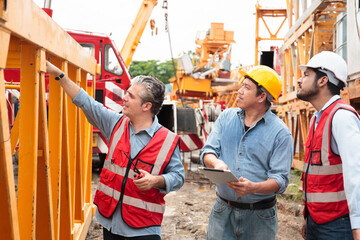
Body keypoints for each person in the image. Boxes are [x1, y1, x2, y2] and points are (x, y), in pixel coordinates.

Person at [46, 61, 185, 240]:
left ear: (146, 106)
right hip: (110, 223)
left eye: (131, 95)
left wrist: (156, 180)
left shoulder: (167, 140)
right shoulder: (116, 124)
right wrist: (59, 74)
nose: (124, 98)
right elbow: (85, 102)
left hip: (143, 229)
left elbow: (179, 177)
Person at [201, 65, 294, 240]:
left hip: (259, 217)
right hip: (222, 211)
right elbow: (208, 151)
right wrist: (216, 163)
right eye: (241, 86)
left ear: (261, 96)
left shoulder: (280, 134)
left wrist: (253, 188)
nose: (240, 91)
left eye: (247, 87)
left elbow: (280, 180)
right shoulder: (226, 118)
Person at [296, 51, 360, 240]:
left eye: (306, 74)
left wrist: (357, 225)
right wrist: (309, 218)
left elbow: (355, 173)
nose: (300, 80)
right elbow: (317, 177)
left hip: (338, 225)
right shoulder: (318, 117)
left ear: (323, 81)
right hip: (318, 222)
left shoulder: (341, 117)